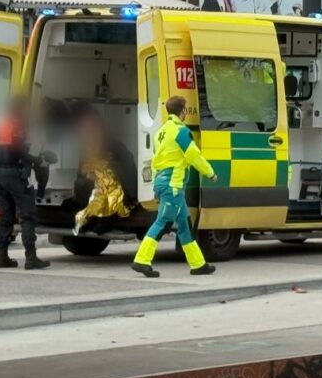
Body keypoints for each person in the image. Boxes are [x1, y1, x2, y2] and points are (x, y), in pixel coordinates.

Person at [132, 96, 218, 278]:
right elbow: (194, 156)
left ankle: (198, 264)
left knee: (185, 225)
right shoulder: (181, 132)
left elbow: (156, 163)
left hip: (164, 183)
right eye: (186, 109)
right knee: (162, 222)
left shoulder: (160, 133)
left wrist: (156, 188)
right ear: (183, 111)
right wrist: (210, 173)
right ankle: (142, 260)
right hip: (174, 186)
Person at [0, 96, 50, 270]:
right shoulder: (16, 124)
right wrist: (37, 161)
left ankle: (2, 256)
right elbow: (16, 151)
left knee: (5, 217)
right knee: (28, 215)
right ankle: (31, 257)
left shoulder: (2, 125)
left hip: (1, 174)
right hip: (15, 175)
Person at [73, 110, 137, 236]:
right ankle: (91, 218)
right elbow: (82, 170)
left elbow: (118, 171)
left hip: (120, 187)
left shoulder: (113, 146)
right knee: (80, 185)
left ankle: (107, 221)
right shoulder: (87, 147)